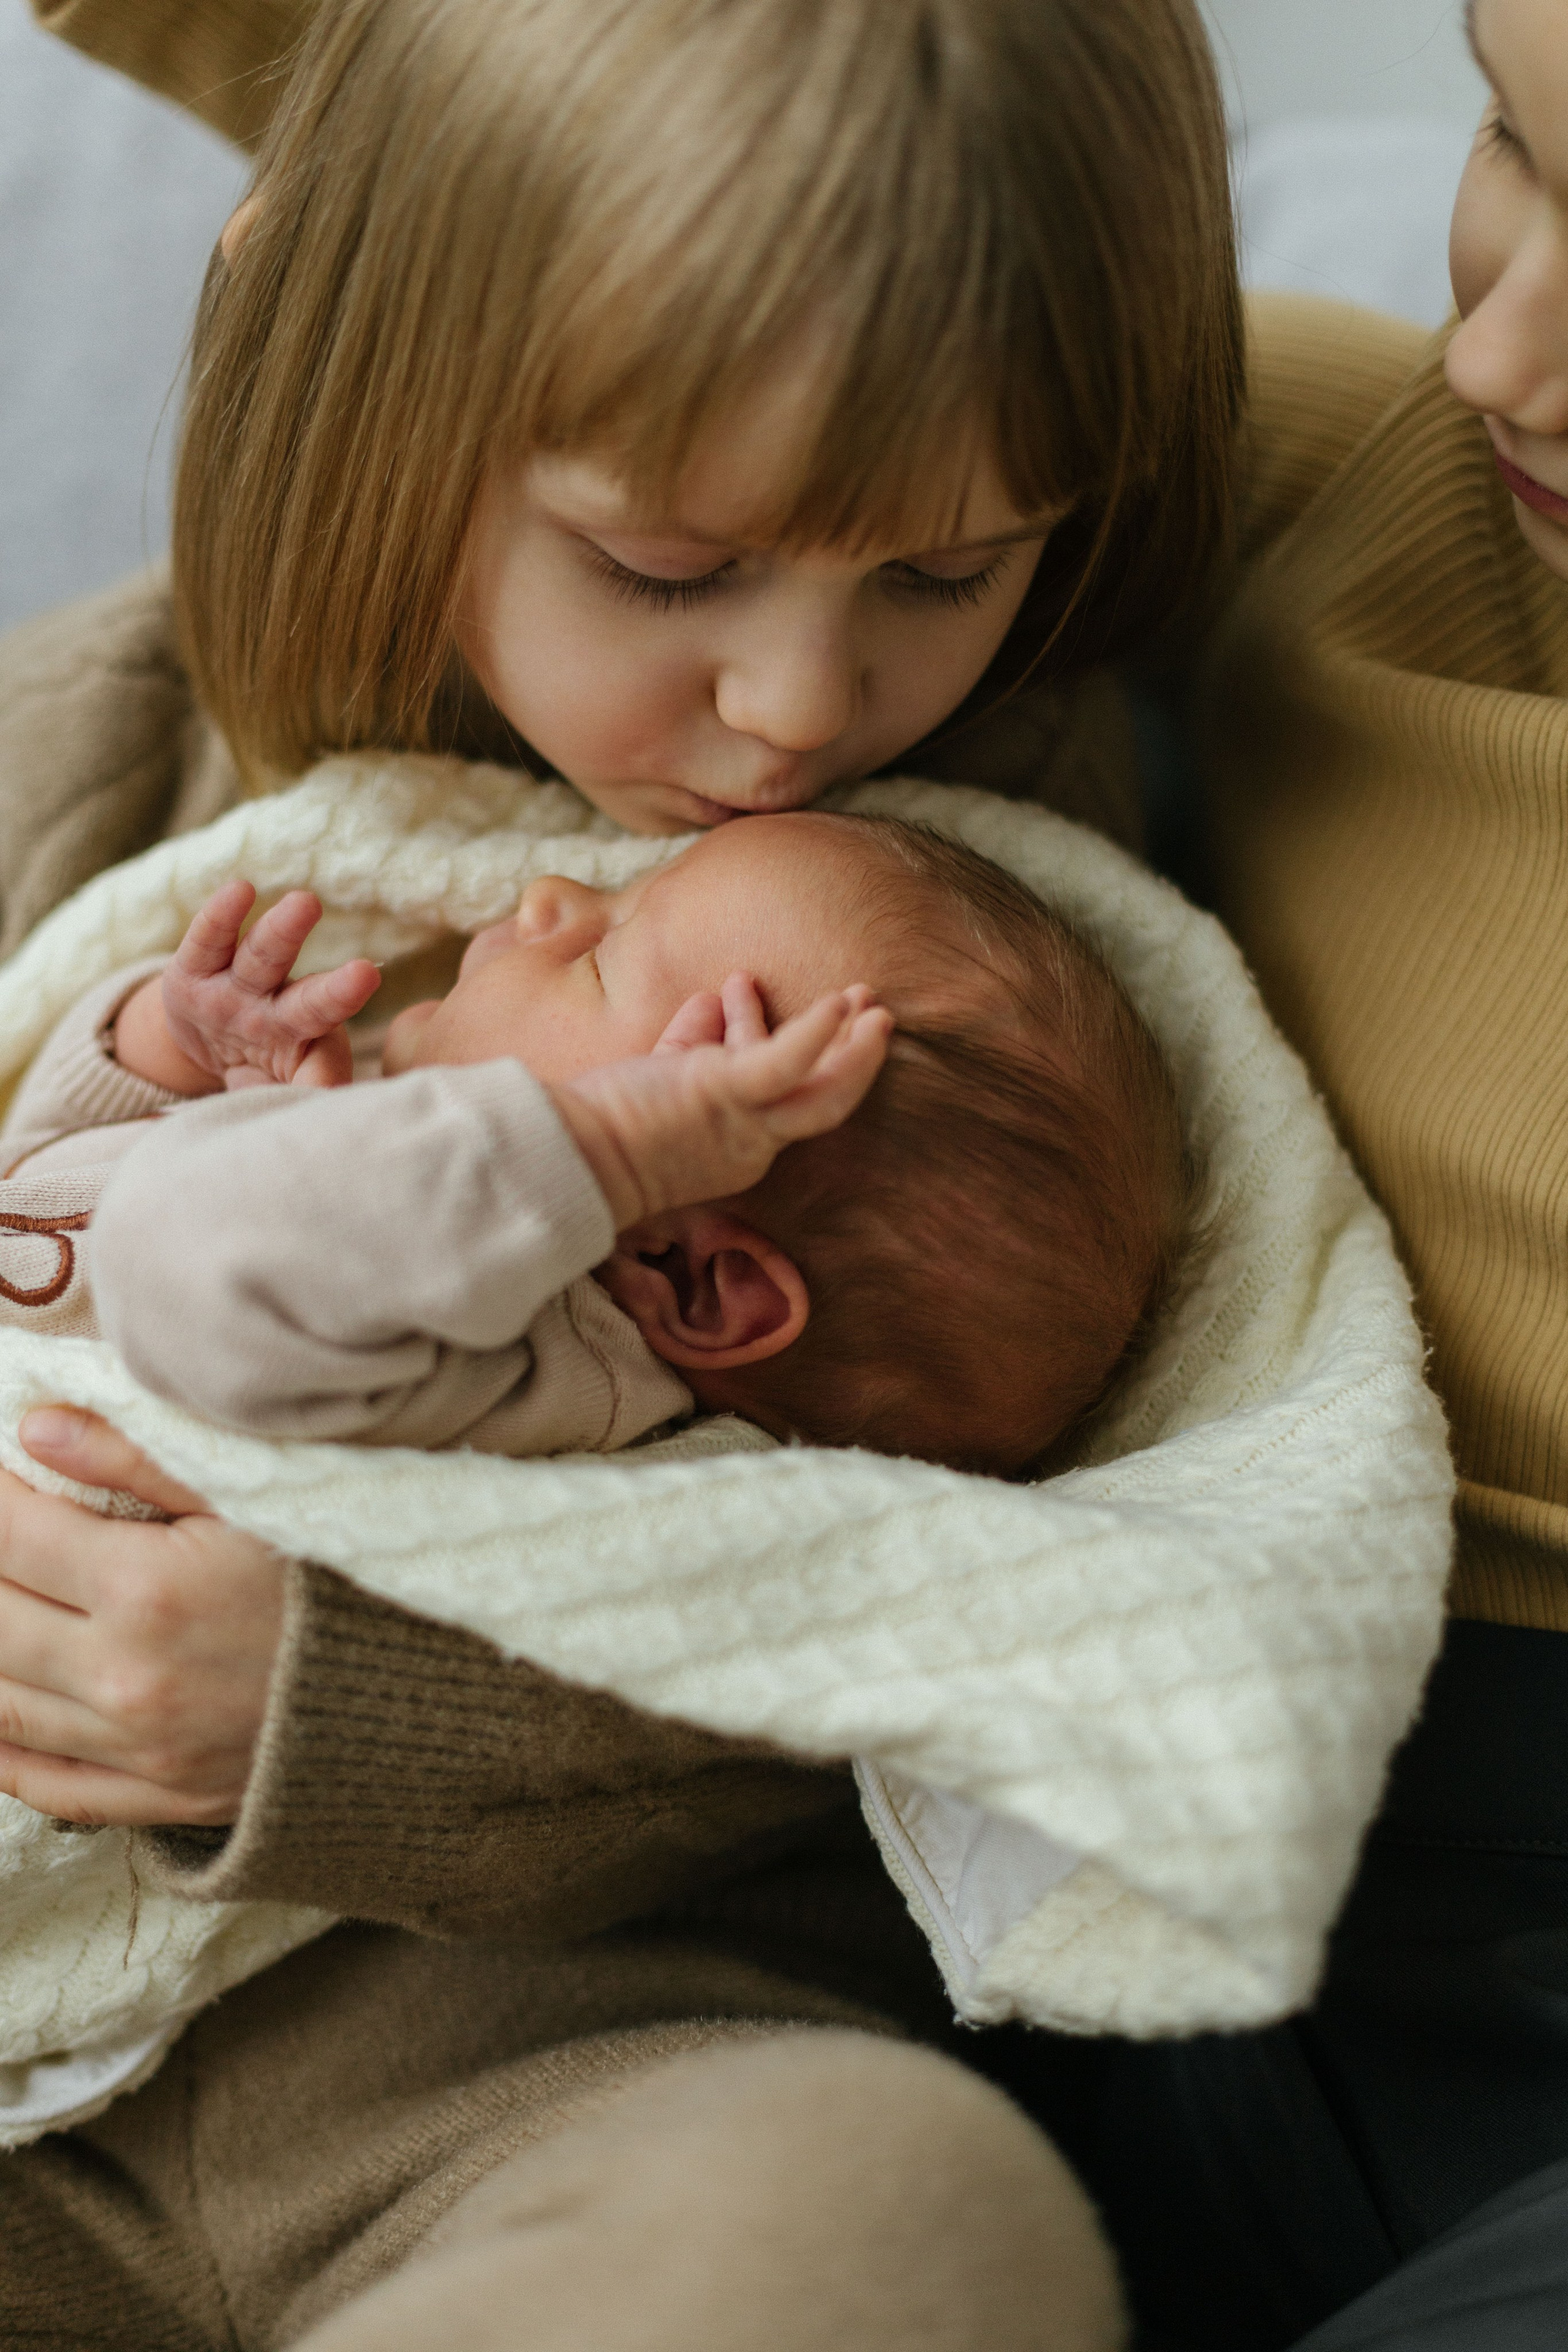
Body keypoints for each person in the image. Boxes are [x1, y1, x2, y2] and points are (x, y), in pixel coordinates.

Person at [0, 1, 1239, 2344]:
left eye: (947, 570)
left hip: (529, 2054)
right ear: (332, 371)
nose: (799, 708)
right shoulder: (75, 760)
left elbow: (1068, 1608)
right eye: (671, 566)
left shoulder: (1007, 920)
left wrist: (377, 1687)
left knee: (881, 2210)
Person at [978, 1, 1568, 2346]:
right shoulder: (1361, 477)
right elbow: (656, 161)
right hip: (1116, 1840)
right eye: (1513, 141)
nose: (1500, 352)